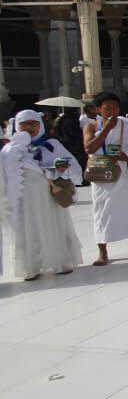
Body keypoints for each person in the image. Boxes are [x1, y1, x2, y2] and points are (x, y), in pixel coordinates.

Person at [0, 110, 83, 279]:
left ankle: (60, 261)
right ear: (17, 127)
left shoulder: (51, 144)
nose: (29, 128)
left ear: (40, 125)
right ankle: (31, 267)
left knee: (53, 225)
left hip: (49, 197)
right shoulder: (10, 150)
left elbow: (72, 165)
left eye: (33, 124)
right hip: (24, 200)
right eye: (24, 125)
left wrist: (57, 169)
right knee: (28, 229)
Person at [83, 92, 128, 266]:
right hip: (101, 175)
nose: (112, 111)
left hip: (123, 172)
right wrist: (106, 129)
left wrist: (125, 156)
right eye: (107, 108)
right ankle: (102, 252)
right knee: (102, 213)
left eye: (115, 107)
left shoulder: (127, 126)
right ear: (98, 109)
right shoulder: (91, 127)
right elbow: (89, 147)